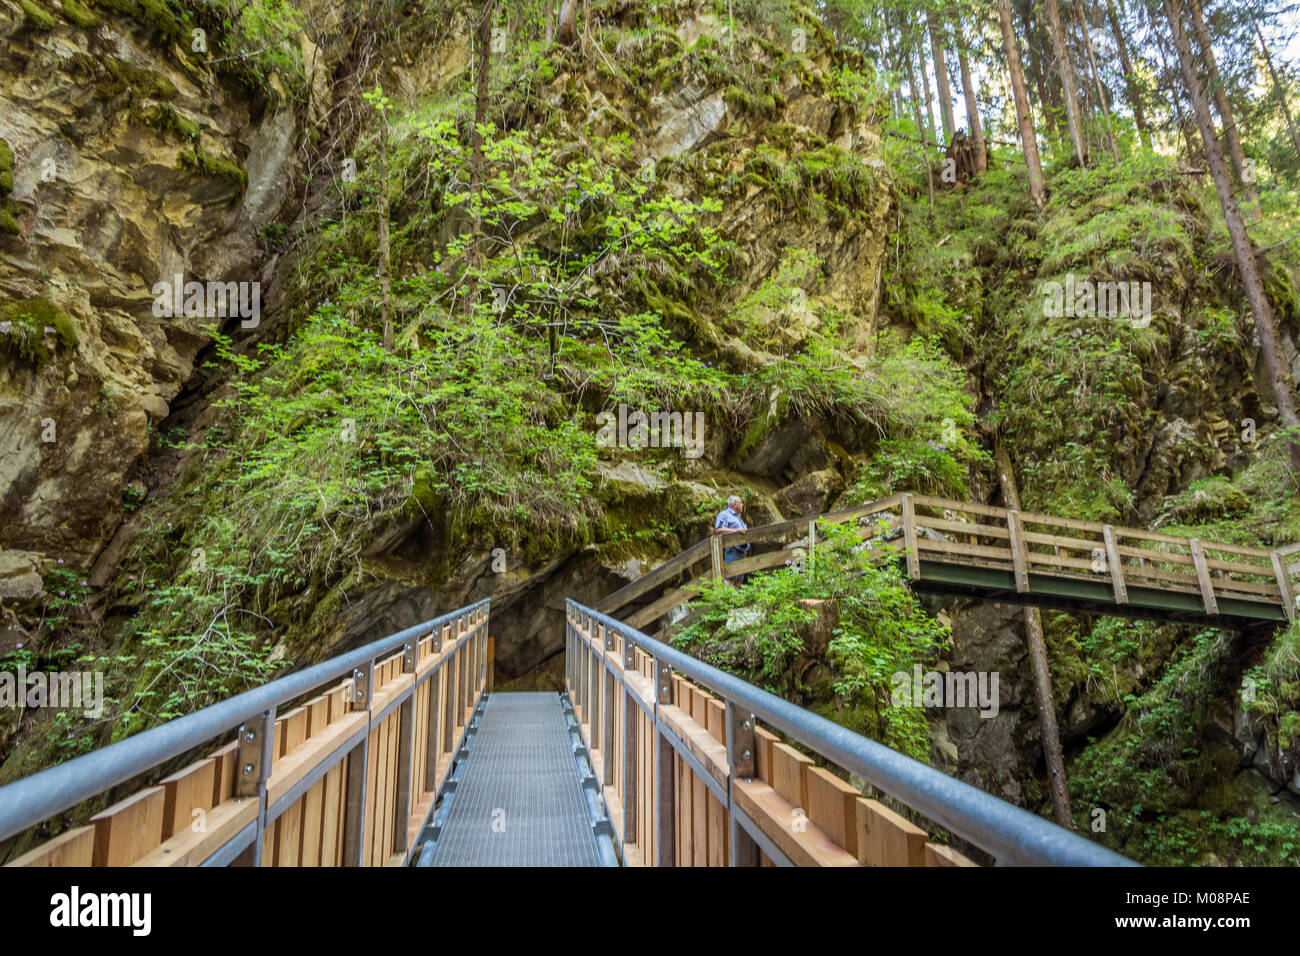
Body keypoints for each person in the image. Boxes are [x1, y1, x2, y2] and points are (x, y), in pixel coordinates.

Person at [713, 494, 750, 586]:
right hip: (732, 550)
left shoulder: (738, 518)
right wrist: (736, 531)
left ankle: (735, 599)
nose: (742, 505)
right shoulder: (724, 514)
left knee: (739, 577)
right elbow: (719, 530)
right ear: (735, 504)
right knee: (730, 576)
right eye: (741, 503)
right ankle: (726, 598)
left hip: (742, 551)